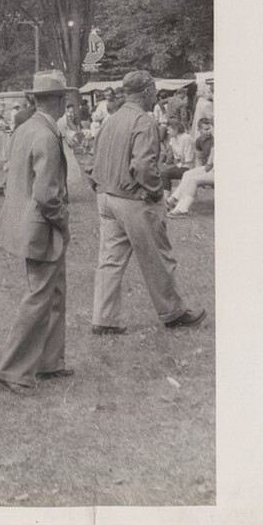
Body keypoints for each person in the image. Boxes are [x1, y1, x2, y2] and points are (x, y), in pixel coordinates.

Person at [90, 70, 206, 334]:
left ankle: (104, 319)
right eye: (154, 90)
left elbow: (95, 159)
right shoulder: (143, 121)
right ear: (146, 92)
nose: (157, 95)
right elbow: (143, 164)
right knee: (157, 257)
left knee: (110, 260)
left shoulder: (111, 119)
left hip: (106, 196)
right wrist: (155, 191)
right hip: (132, 199)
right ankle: (173, 312)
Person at [0, 70, 73, 395]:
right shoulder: (45, 135)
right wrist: (64, 220)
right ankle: (10, 371)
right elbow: (46, 193)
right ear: (59, 100)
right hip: (41, 226)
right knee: (40, 297)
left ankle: (49, 362)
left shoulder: (27, 128)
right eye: (65, 97)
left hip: (26, 223)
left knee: (54, 293)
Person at [168, 118, 215, 216]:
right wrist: (198, 171)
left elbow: (211, 161)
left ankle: (181, 209)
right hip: (208, 168)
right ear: (199, 130)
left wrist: (203, 175)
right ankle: (176, 202)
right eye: (205, 129)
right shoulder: (199, 141)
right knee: (187, 174)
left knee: (193, 180)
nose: (209, 131)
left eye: (209, 129)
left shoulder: (214, 139)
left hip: (214, 169)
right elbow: (198, 159)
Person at [158, 118, 196, 194]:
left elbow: (189, 159)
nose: (168, 132)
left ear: (175, 129)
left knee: (165, 174)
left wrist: (179, 163)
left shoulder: (186, 138)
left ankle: (168, 198)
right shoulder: (173, 139)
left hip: (189, 166)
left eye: (169, 130)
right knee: (163, 173)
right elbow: (175, 157)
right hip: (180, 165)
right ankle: (169, 197)